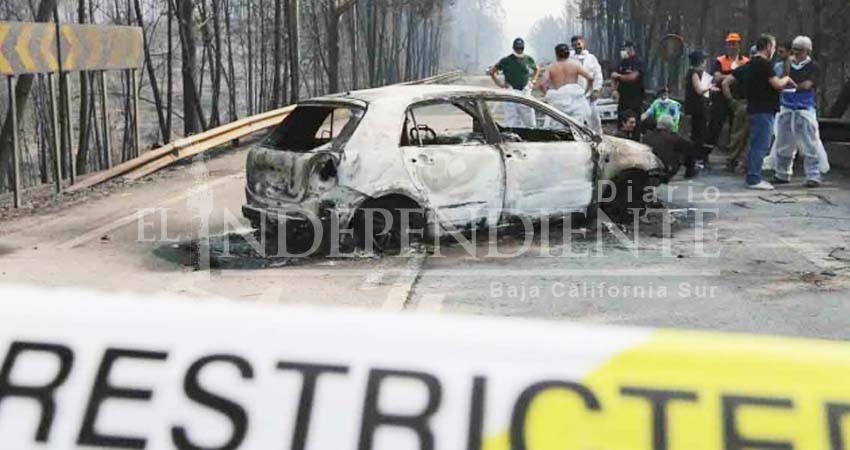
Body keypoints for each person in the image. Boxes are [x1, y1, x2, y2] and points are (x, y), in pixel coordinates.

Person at [723, 34, 795, 190]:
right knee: (761, 145)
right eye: (774, 47)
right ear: (769, 46)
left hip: (752, 108)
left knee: (754, 143)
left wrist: (732, 101)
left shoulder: (748, 65)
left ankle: (751, 174)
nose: (774, 50)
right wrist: (787, 79)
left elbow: (726, 81)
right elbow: (776, 84)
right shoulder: (765, 64)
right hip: (765, 110)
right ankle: (754, 179)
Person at [769, 36, 830, 188]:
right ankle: (782, 173)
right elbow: (777, 81)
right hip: (786, 108)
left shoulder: (813, 67)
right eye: (794, 49)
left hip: (804, 109)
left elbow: (807, 85)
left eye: (799, 50)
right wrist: (786, 82)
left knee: (810, 145)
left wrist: (788, 84)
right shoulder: (785, 65)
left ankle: (813, 175)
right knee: (783, 143)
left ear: (807, 51)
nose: (796, 53)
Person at [707, 33, 749, 158]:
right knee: (715, 126)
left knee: (736, 129)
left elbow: (746, 78)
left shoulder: (745, 61)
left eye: (734, 43)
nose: (731, 46)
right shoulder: (720, 60)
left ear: (739, 45)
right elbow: (715, 77)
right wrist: (734, 77)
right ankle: (705, 156)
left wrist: (726, 76)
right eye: (729, 43)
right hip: (720, 98)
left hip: (738, 99)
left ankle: (732, 157)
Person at [536, 44, 594, 129]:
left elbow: (541, 84)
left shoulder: (551, 67)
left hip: (558, 101)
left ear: (556, 54)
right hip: (575, 100)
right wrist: (587, 91)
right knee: (577, 126)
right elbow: (591, 78)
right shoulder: (575, 65)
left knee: (559, 127)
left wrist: (547, 94)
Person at [488, 38, 539, 128]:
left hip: (525, 91)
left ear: (523, 48)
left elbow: (537, 69)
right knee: (511, 121)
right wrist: (500, 84)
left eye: (521, 48)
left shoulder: (528, 59)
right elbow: (492, 71)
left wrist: (533, 81)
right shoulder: (506, 60)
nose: (519, 50)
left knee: (529, 121)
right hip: (510, 91)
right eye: (517, 48)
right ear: (513, 48)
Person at [643, 115, 699, 180]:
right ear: (670, 127)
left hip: (649, 168)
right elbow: (689, 147)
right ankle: (690, 171)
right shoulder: (674, 138)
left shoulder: (646, 136)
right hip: (666, 170)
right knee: (686, 148)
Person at [570, 35, 605, 133]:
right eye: (574, 45)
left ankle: (598, 139)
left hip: (589, 96)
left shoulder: (591, 58)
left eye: (579, 44)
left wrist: (596, 90)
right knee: (576, 121)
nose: (577, 46)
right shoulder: (569, 58)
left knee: (594, 120)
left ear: (583, 44)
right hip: (574, 96)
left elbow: (598, 74)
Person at [685, 50, 712, 162]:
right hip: (697, 107)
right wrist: (709, 86)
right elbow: (699, 90)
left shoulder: (692, 72)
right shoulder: (694, 73)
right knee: (699, 132)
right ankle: (695, 156)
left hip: (695, 105)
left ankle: (694, 156)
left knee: (697, 131)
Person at [611, 41, 645, 117]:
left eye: (624, 48)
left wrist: (619, 76)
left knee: (634, 119)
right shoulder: (622, 62)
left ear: (630, 48)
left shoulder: (638, 62)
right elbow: (613, 76)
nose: (623, 51)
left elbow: (632, 77)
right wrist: (614, 90)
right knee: (622, 119)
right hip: (623, 98)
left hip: (635, 98)